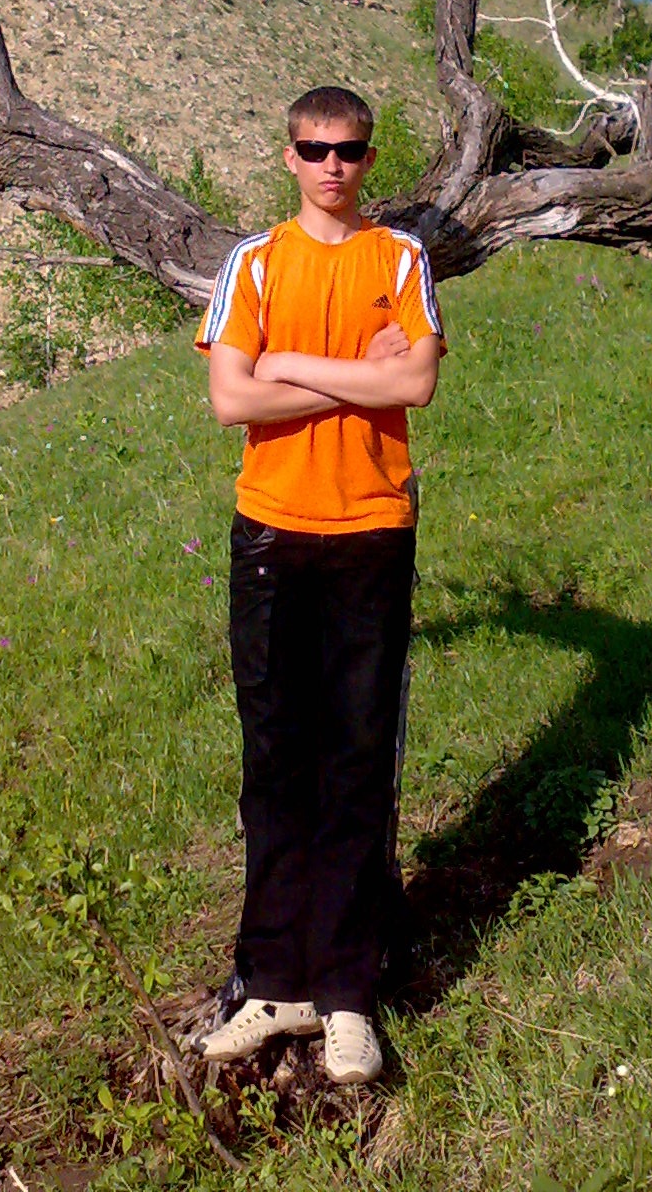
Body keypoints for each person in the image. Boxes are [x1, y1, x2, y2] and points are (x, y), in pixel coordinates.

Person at [193, 85, 444, 1085]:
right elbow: (230, 399)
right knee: (275, 762)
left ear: (369, 158)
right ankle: (270, 981)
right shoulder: (253, 263)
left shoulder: (401, 258)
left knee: (355, 762)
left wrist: (284, 368)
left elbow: (415, 383)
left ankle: (346, 993)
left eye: (348, 148)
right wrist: (344, 367)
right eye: (314, 148)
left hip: (372, 531)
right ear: (289, 156)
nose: (331, 164)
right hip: (273, 535)